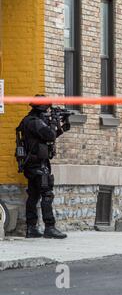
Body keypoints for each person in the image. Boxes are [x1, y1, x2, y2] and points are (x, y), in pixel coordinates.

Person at [18, 95, 70, 239]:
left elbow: (50, 135)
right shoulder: (34, 122)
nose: (48, 111)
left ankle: (31, 228)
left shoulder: (30, 120)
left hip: (34, 163)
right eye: (47, 108)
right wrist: (53, 122)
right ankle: (49, 227)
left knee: (34, 195)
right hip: (37, 164)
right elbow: (49, 135)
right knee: (47, 194)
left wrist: (63, 126)